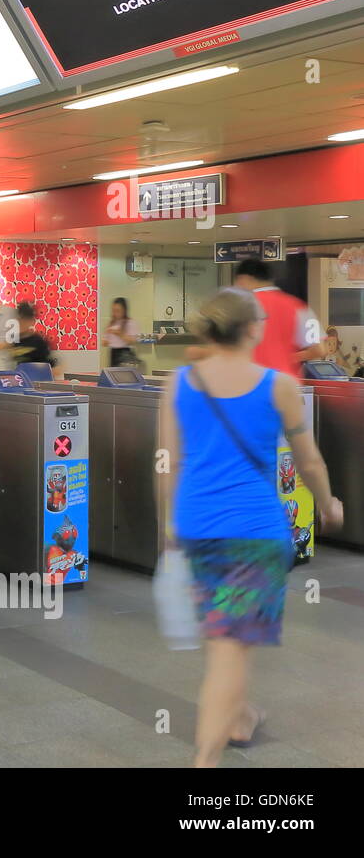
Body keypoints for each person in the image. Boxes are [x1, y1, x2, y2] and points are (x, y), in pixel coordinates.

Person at [157, 287, 343, 768]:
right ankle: (205, 763)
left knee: (226, 637)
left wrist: (167, 525)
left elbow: (167, 464)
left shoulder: (179, 383)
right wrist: (328, 504)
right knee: (229, 651)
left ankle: (240, 718)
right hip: (254, 535)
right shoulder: (278, 385)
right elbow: (309, 461)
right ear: (254, 330)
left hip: (198, 527)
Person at [232, 259, 325, 377]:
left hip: (249, 383)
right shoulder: (299, 307)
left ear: (244, 279)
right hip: (286, 383)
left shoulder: (239, 307)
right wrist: (288, 358)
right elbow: (319, 350)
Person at [10, 302, 62, 379]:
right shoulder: (15, 341)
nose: (22, 323)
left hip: (39, 384)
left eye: (25, 320)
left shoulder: (38, 341)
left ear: (32, 321)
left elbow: (55, 369)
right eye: (20, 319)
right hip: (22, 383)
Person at [103, 297, 139, 367]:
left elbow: (133, 341)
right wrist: (106, 340)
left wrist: (120, 334)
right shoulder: (112, 323)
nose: (115, 313)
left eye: (118, 311)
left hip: (125, 354)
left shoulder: (130, 322)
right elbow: (105, 343)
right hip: (113, 353)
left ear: (124, 310)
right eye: (113, 310)